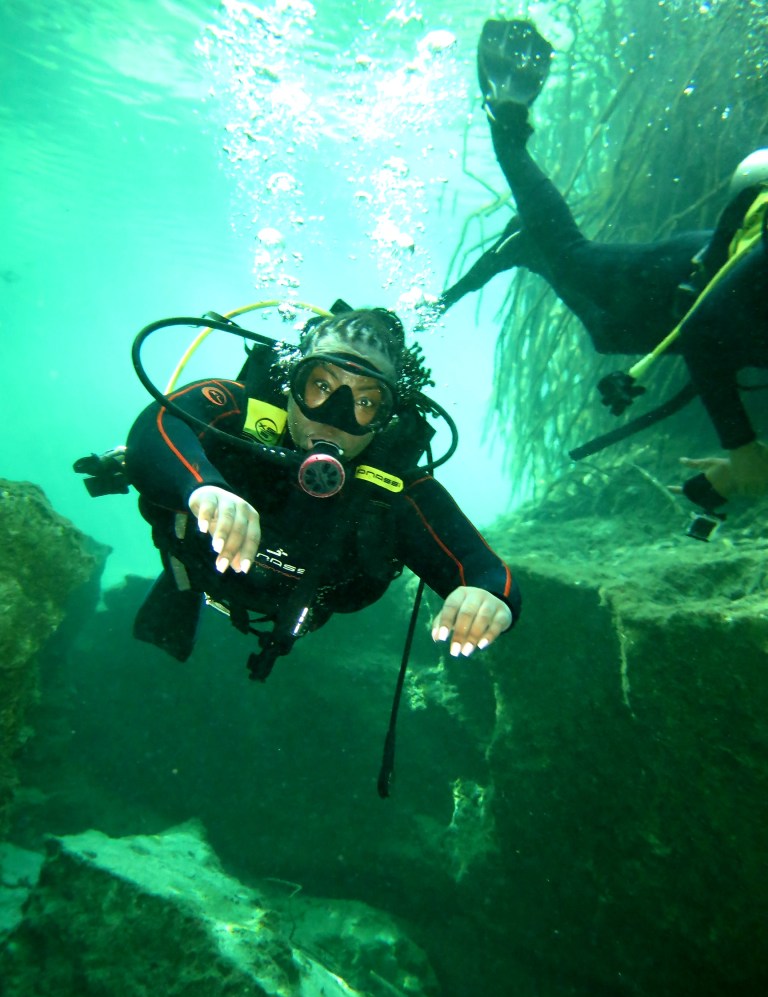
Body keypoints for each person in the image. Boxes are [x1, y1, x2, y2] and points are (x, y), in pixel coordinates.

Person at [435, 19, 768, 514]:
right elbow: (704, 333)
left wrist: (739, 466)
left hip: (702, 303)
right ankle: (508, 131)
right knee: (573, 257)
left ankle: (531, 251)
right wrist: (741, 447)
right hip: (680, 274)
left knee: (607, 334)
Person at [125, 306, 520, 681]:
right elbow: (157, 425)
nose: (336, 416)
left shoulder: (397, 488)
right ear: (292, 380)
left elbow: (483, 569)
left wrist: (489, 598)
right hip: (189, 570)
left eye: (365, 401)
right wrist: (204, 486)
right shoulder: (238, 409)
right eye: (321, 385)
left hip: (286, 623)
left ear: (385, 416)